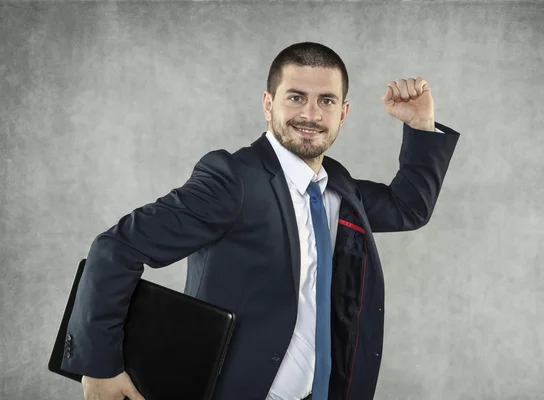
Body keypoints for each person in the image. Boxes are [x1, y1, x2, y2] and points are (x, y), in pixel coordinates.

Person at [61, 41, 460, 400]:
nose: (310, 114)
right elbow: (116, 248)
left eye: (326, 101)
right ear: (268, 104)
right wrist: (100, 368)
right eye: (296, 97)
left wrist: (419, 125)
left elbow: (408, 208)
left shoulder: (337, 186)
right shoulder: (232, 179)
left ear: (344, 112)